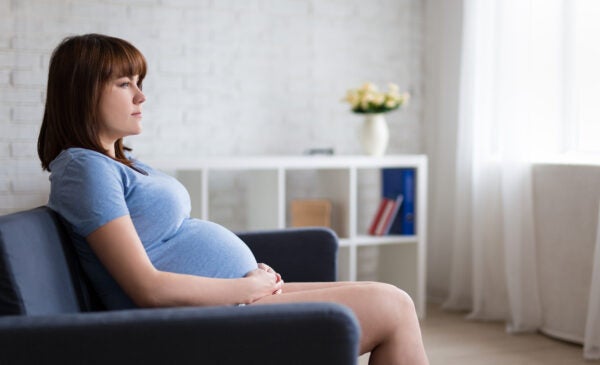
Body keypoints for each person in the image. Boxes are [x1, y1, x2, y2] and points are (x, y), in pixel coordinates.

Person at [37, 34, 429, 365]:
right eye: (125, 84)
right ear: (82, 92)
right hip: (197, 323)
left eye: (140, 83)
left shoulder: (116, 163)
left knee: (396, 299)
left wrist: (251, 282)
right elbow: (148, 288)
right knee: (390, 307)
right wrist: (247, 288)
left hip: (229, 305)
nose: (141, 96)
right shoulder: (83, 169)